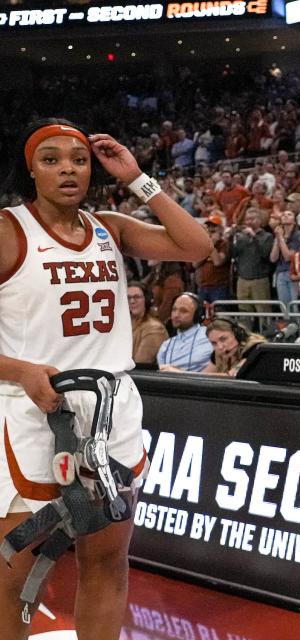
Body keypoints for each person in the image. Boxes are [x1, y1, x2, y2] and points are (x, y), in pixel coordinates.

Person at [0, 118, 211, 637]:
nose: (67, 169)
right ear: (31, 170)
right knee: (16, 571)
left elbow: (196, 246)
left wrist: (138, 178)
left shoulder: (110, 226)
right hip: (31, 408)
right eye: (51, 160)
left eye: (78, 159)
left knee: (107, 560)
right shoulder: (8, 230)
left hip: (110, 404)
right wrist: (21, 369)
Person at [157, 292, 214, 373]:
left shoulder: (210, 337)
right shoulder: (166, 346)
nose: (176, 315)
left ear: (197, 315)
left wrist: (178, 372)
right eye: (174, 309)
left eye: (183, 311)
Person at [201, 317, 266, 376]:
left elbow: (233, 376)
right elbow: (202, 377)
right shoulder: (218, 353)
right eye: (214, 343)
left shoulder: (255, 349)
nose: (220, 347)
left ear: (238, 334)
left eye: (223, 339)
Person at [128, 281, 167, 366]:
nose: (132, 301)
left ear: (146, 300)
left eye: (137, 297)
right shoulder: (124, 325)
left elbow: (140, 365)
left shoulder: (154, 329)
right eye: (128, 298)